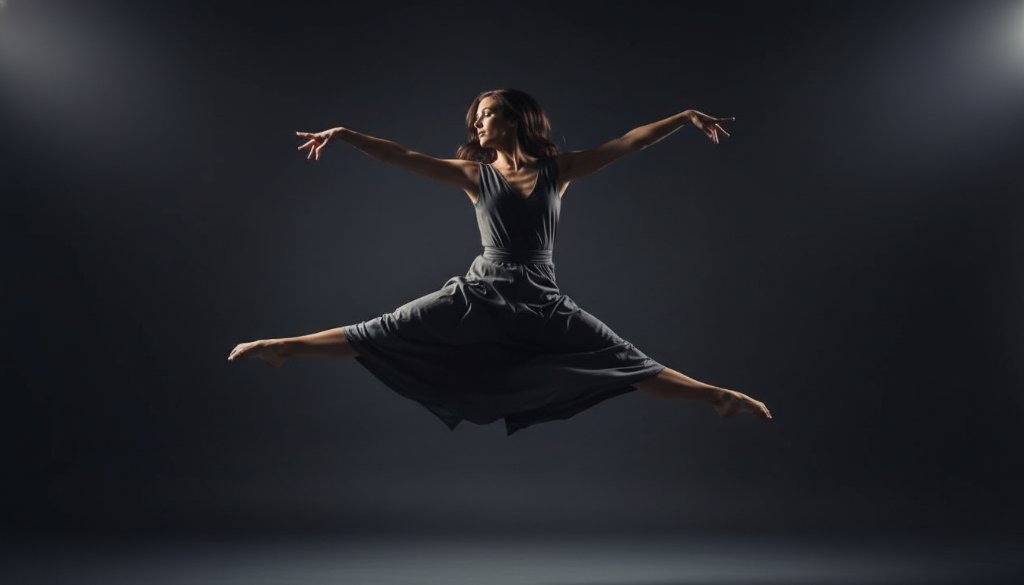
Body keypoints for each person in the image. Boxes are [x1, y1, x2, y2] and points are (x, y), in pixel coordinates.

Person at [228, 89, 772, 434]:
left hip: (541, 298)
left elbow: (628, 142)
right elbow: (405, 156)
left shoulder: (560, 169)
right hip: (480, 293)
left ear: (514, 120)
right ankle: (281, 348)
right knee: (385, 329)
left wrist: (682, 116)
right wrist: (346, 135)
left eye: (487, 115)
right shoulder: (475, 176)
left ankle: (718, 397)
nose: (478, 125)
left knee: (622, 360)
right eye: (477, 118)